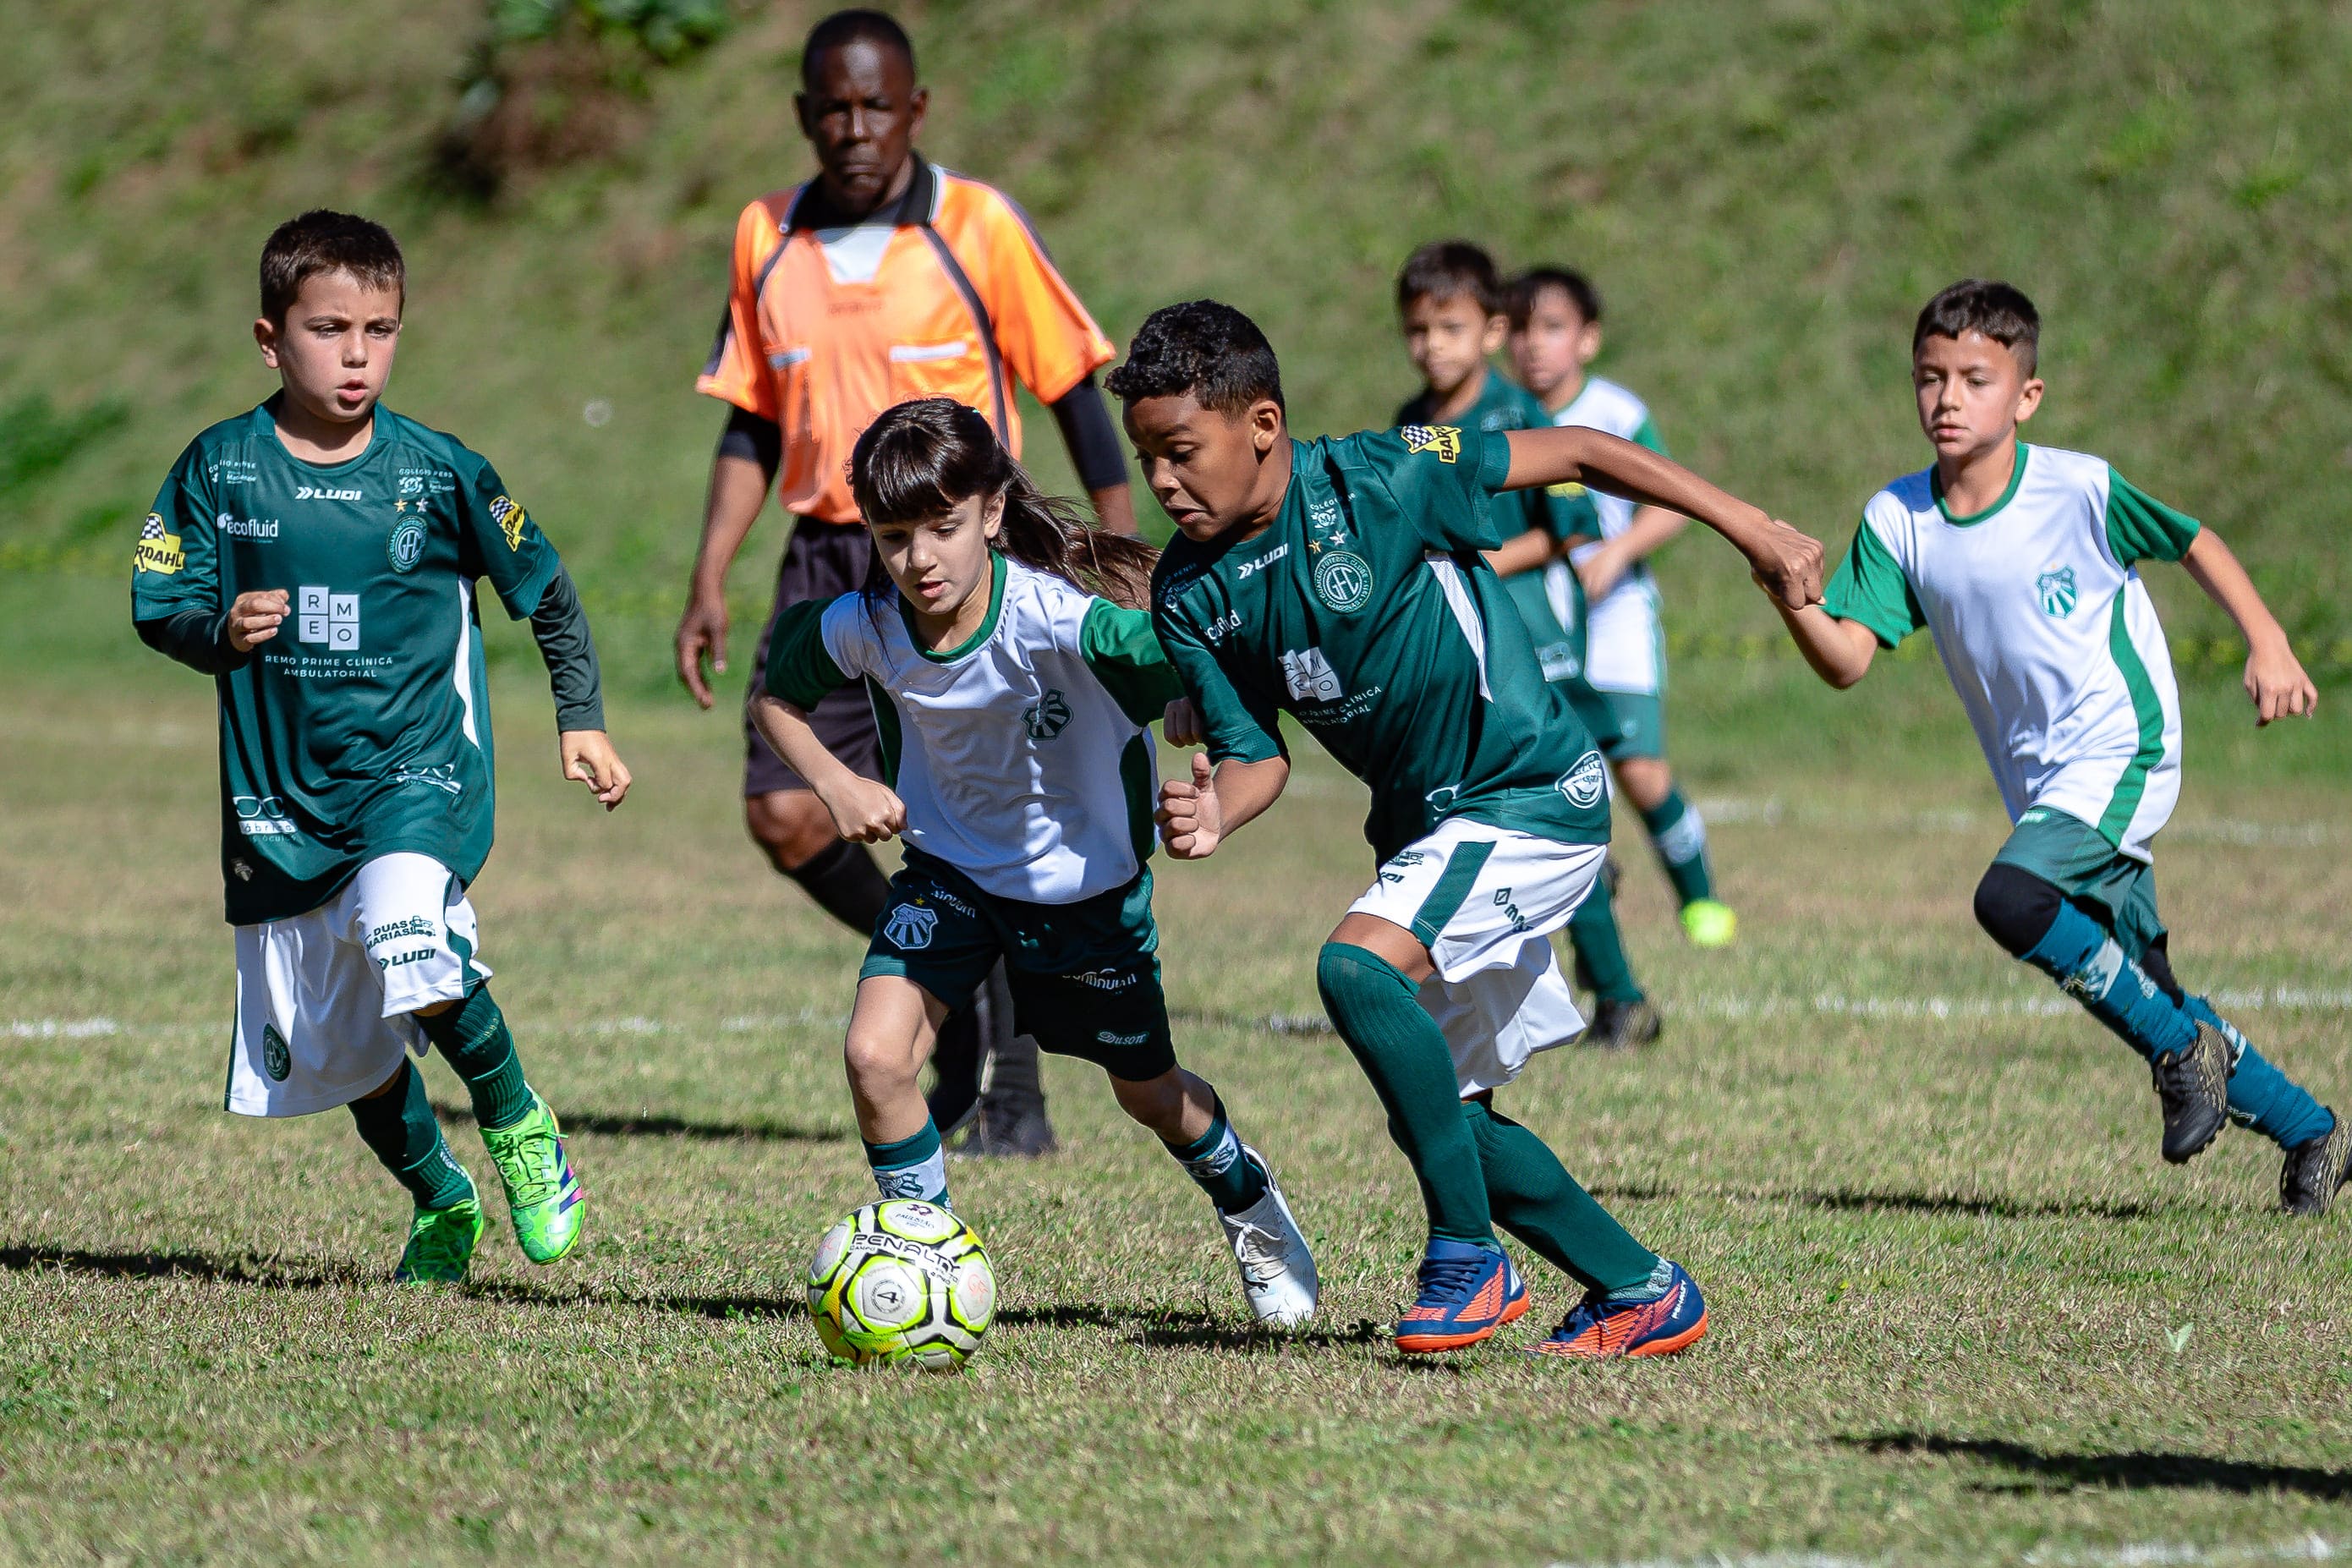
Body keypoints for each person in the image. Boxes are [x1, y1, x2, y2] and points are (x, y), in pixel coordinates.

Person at [1116, 300, 1823, 1356]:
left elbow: (1580, 449)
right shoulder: (1188, 590)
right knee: (1445, 1116)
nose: (1164, 483)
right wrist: (1216, 808)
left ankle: (1466, 1258)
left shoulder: (1385, 475)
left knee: (1356, 973)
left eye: (1181, 453)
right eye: (1148, 462)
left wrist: (1753, 527)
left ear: (1262, 423)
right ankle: (1641, 1289)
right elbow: (1255, 754)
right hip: (1425, 836)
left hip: (1530, 792)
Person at [1771, 278, 2347, 1213]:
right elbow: (1845, 661)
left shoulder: (2077, 487)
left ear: (2025, 396)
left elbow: (2194, 540)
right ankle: (2314, 1131)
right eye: (1930, 378)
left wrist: (2268, 639)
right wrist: (1787, 592)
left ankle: (2176, 1056)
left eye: (1975, 378)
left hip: (2124, 747)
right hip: (2044, 783)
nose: (1948, 399)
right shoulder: (1896, 519)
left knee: (2011, 896)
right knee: (2153, 987)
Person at [131, 210, 630, 1283]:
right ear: (271, 339)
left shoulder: (441, 471)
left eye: (381, 329)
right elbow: (158, 598)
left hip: (417, 775)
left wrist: (579, 717)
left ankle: (517, 1124)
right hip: (279, 798)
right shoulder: (219, 468)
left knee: (411, 935)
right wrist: (215, 632)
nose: (358, 355)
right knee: (344, 1051)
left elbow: (548, 592)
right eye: (329, 329)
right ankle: (440, 1197)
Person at [752, 397, 1318, 1324]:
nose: (920, 560)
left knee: (1150, 1095)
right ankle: (923, 1254)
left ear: (991, 515)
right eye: (895, 538)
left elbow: (1201, 657)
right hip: (950, 877)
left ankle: (1250, 1202)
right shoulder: (868, 625)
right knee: (875, 1056)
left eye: (942, 529)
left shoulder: (1060, 625)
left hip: (1083, 892)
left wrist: (1195, 710)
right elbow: (779, 696)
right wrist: (834, 782)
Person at [681, 9, 1133, 1156]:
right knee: (783, 808)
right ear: (802, 115)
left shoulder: (972, 225)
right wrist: (709, 576)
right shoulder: (763, 234)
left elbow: (1076, 387)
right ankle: (957, 984)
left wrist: (1123, 551)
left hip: (972, 557)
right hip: (834, 558)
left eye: (876, 105)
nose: (854, 127)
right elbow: (749, 419)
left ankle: (1016, 1099)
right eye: (833, 107)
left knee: (1000, 825)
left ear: (915, 111)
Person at [1395, 240, 1659, 1050]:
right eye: (1417, 329)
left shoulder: (1523, 416)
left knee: (1543, 809)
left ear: (1489, 330)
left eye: (1450, 326)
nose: (1431, 345)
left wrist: (1473, 561)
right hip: (1452, 646)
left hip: (1532, 643)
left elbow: (1568, 529)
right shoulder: (1409, 427)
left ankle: (1618, 995)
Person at [1510, 266, 1735, 949]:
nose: (1534, 345)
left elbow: (1672, 505)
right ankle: (1586, 898)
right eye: (1520, 329)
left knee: (1638, 770)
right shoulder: (1501, 416)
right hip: (1537, 620)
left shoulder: (1613, 410)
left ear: (1588, 338)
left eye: (1551, 328)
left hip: (1615, 615)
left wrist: (1615, 551)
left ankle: (1699, 899)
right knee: (1563, 778)